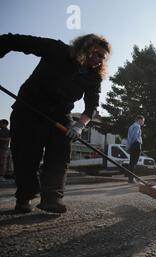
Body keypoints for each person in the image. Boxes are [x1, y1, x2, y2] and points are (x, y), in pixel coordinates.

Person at [0, 33, 111, 214]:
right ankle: (24, 197)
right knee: (27, 155)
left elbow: (91, 106)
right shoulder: (57, 50)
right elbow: (12, 40)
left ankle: (51, 199)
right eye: (97, 53)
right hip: (29, 110)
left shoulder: (93, 76)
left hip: (59, 116)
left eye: (103, 58)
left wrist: (79, 126)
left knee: (61, 151)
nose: (99, 60)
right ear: (84, 46)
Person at [127, 115, 145, 183]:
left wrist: (129, 147)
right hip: (136, 144)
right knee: (134, 163)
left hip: (132, 145)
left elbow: (129, 138)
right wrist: (133, 144)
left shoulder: (131, 126)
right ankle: (131, 179)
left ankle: (130, 178)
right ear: (139, 120)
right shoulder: (137, 126)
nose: (143, 123)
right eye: (143, 121)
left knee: (131, 162)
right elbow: (134, 136)